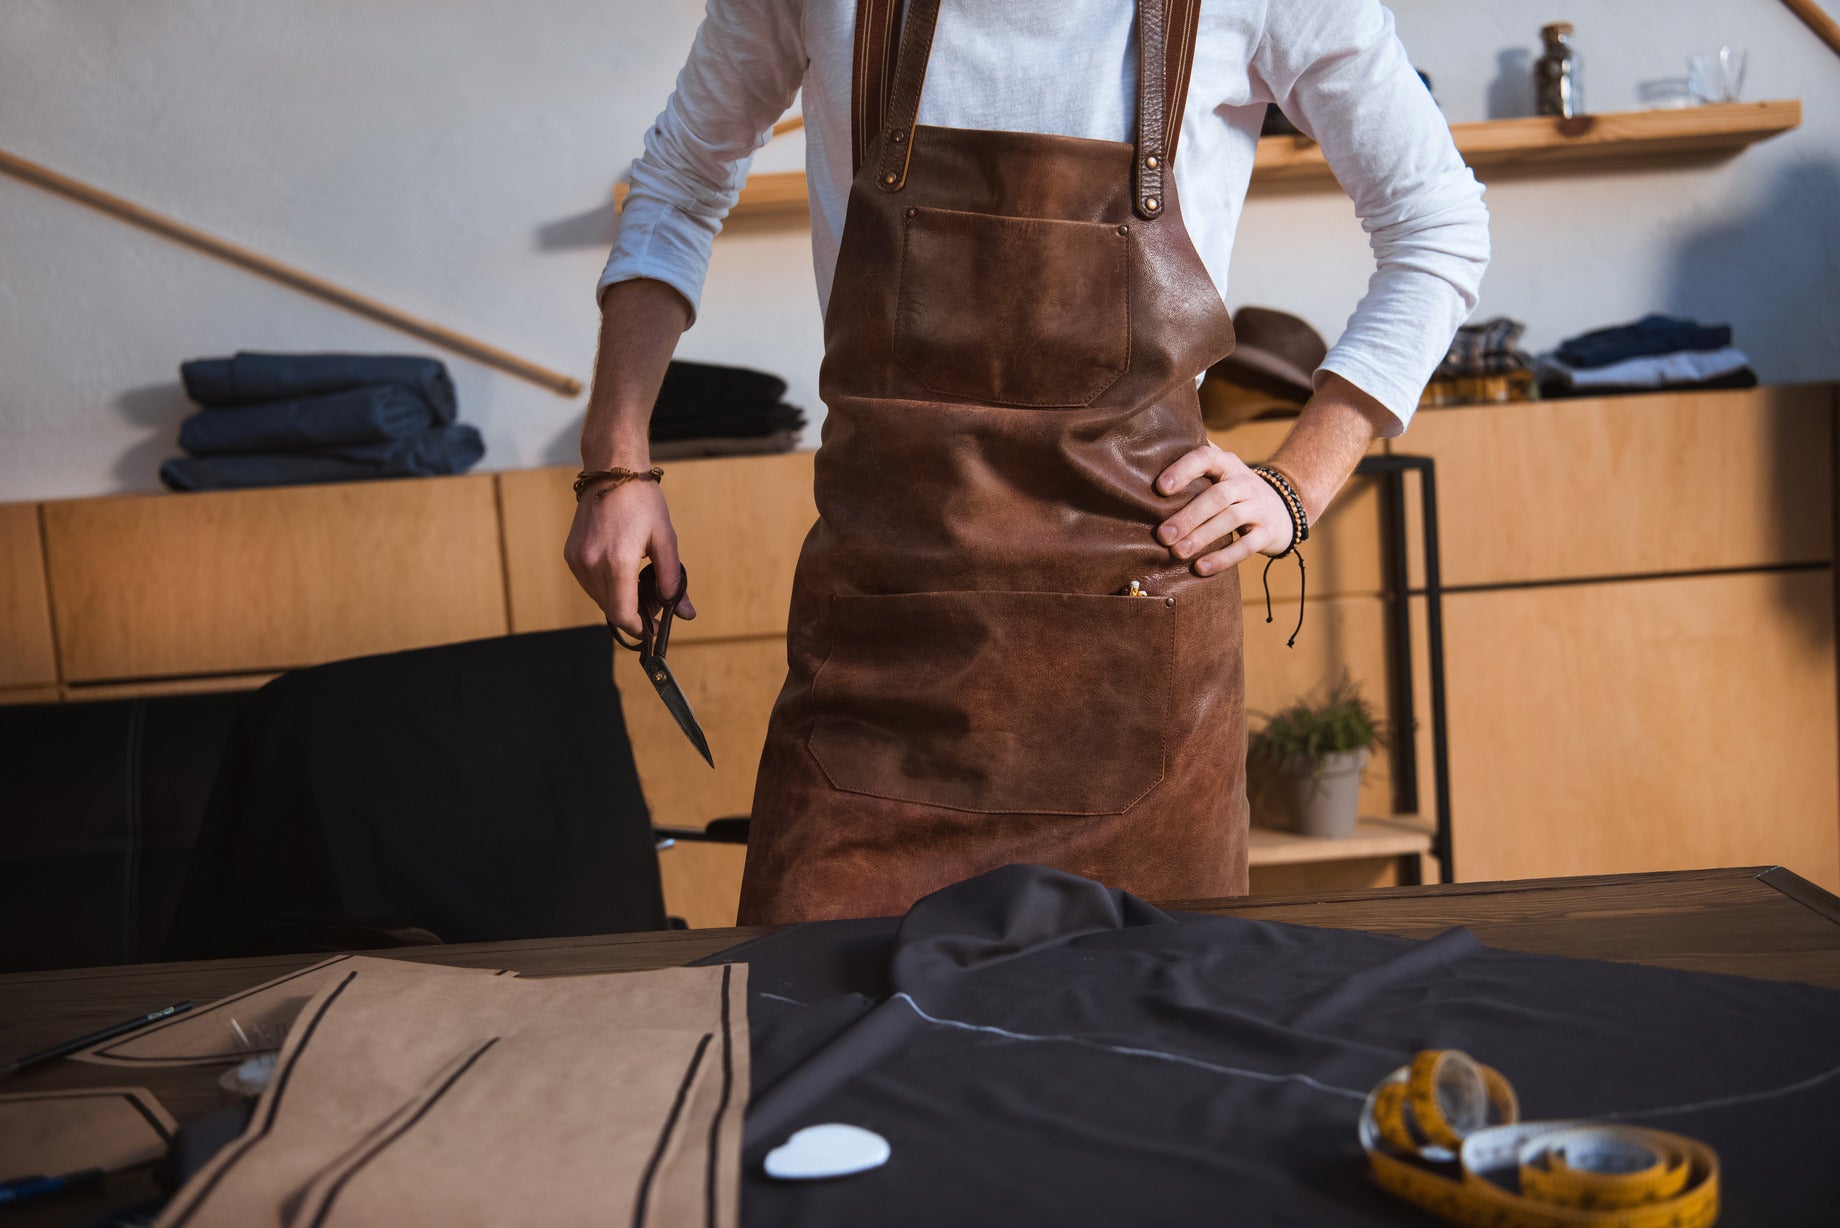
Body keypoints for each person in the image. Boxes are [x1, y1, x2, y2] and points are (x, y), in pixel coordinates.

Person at [565, 0, 1489, 924]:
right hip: (883, 650)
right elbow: (680, 183)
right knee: (805, 1032)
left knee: (1133, 1057)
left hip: (1136, 673)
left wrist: (1300, 480)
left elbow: (1438, 222)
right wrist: (616, 461)